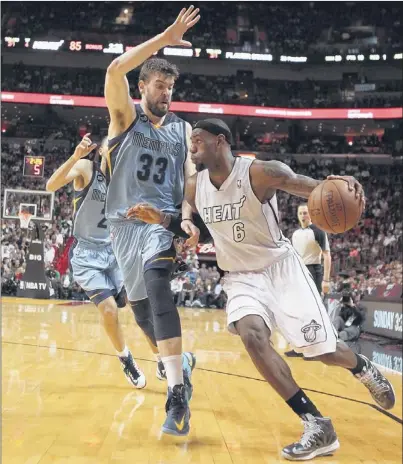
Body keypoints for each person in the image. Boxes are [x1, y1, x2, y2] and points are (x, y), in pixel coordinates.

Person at [127, 118, 395, 461]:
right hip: (240, 276)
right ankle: (316, 423)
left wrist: (343, 185)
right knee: (252, 337)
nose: (191, 144)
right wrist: (171, 221)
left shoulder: (260, 172)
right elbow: (196, 226)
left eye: (198, 138)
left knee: (323, 352)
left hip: (280, 270)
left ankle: (361, 367)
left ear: (220, 141)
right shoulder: (194, 186)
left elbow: (312, 189)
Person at [104, 6, 200, 435]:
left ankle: (177, 396)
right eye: (159, 84)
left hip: (159, 225)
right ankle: (180, 361)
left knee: (159, 286)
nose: (166, 92)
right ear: (142, 87)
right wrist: (165, 36)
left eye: (171, 86)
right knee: (141, 314)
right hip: (123, 228)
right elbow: (113, 68)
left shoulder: (183, 130)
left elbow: (190, 177)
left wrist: (186, 217)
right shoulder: (125, 119)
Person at [46, 134, 146, 388]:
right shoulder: (86, 169)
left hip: (114, 253)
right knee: (110, 309)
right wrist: (75, 156)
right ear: (101, 151)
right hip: (86, 255)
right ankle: (125, 358)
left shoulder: (127, 186)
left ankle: (163, 357)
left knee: (132, 303)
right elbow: (50, 186)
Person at [285, 203, 332, 357]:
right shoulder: (296, 233)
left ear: (310, 214)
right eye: (301, 213)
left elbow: (327, 255)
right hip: (299, 272)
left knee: (313, 311)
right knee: (298, 310)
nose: (303, 216)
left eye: (305, 213)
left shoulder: (318, 231)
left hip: (313, 270)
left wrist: (326, 280)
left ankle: (317, 349)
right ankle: (300, 347)